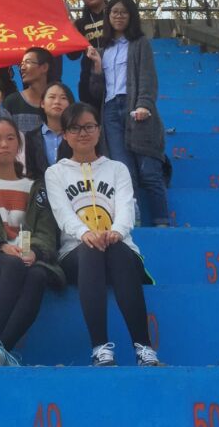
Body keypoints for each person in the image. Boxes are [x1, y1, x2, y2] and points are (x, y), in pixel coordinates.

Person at [45, 103, 160, 367]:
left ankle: (144, 349)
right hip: (76, 253)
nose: (83, 133)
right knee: (91, 249)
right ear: (65, 135)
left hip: (118, 249)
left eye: (89, 126)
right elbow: (62, 213)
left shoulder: (117, 169)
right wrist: (84, 233)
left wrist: (117, 232)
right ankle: (100, 348)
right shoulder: (56, 173)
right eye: (75, 128)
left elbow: (126, 206)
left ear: (99, 130)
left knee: (117, 250)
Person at [0, 117, 64, 366]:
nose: (4, 144)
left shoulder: (35, 187)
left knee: (38, 276)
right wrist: (1, 245)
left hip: (31, 256)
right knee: (11, 264)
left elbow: (47, 231)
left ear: (19, 145)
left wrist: (35, 252)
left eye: (10, 138)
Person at [86, 0, 169, 227]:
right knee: (124, 172)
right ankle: (134, 222)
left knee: (149, 171)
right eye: (114, 12)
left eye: (123, 12)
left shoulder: (139, 43)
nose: (119, 16)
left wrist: (144, 104)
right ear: (108, 17)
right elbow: (96, 91)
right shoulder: (104, 48)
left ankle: (162, 221)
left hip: (135, 109)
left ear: (131, 16)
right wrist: (96, 67)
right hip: (110, 112)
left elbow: (147, 77)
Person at [66, 0, 109, 112]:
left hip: (116, 77)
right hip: (89, 81)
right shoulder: (80, 23)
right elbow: (73, 56)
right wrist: (71, 33)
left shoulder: (115, 16)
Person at [24, 82, 75, 180]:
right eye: (52, 97)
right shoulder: (31, 137)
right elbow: (30, 172)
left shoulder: (76, 135)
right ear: (42, 103)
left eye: (63, 98)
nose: (57, 102)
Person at [3, 48, 53, 134]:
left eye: (28, 62)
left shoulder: (57, 101)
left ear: (44, 67)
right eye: (21, 64)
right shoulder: (12, 102)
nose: (22, 68)